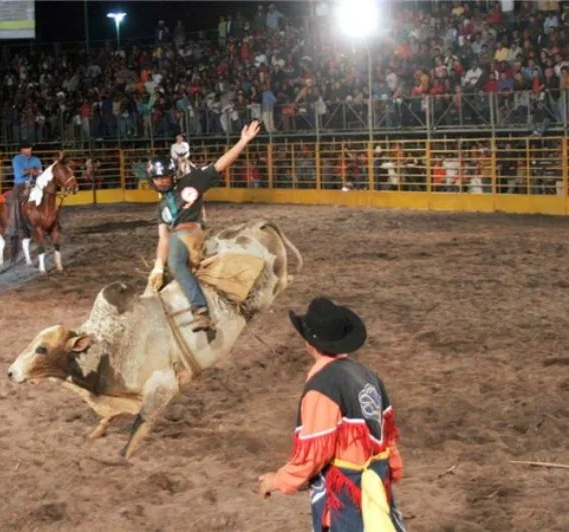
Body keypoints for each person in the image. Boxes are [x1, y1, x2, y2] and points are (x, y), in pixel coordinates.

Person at [257, 297, 405, 531]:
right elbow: (388, 436)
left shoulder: (323, 387)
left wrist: (277, 480)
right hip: (375, 486)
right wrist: (393, 469)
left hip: (345, 496)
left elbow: (315, 453)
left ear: (309, 343)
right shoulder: (368, 375)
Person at [146, 120, 261, 332]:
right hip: (175, 237)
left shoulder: (191, 181)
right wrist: (157, 267)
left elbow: (220, 164)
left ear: (173, 175)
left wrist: (243, 142)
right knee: (163, 271)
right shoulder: (161, 206)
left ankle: (200, 310)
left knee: (176, 262)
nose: (161, 181)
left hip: (189, 232)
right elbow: (162, 238)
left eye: (164, 177)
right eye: (157, 178)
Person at [8, 141, 42, 236]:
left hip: (35, 183)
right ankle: (13, 226)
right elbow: (19, 173)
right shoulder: (17, 159)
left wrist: (33, 171)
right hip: (20, 184)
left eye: (30, 148)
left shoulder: (36, 159)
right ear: (22, 150)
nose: (29, 150)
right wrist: (31, 170)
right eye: (27, 148)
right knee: (14, 200)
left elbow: (39, 172)